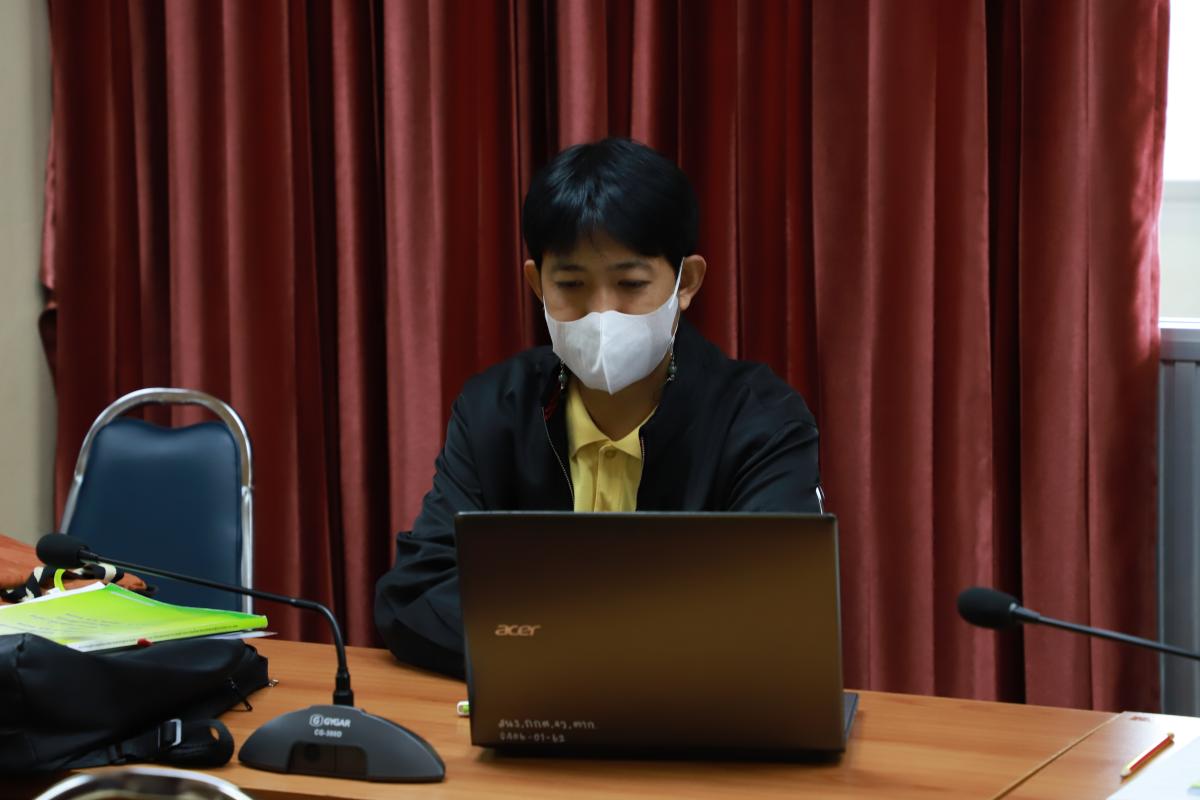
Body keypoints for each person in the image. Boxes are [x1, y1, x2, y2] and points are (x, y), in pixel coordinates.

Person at [374, 137, 821, 678]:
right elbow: (416, 594)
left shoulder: (761, 423)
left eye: (630, 284)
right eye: (571, 284)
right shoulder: (494, 408)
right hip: (535, 715)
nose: (601, 313)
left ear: (686, 283)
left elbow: (773, 615)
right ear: (537, 284)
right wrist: (596, 647)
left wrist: (545, 634)